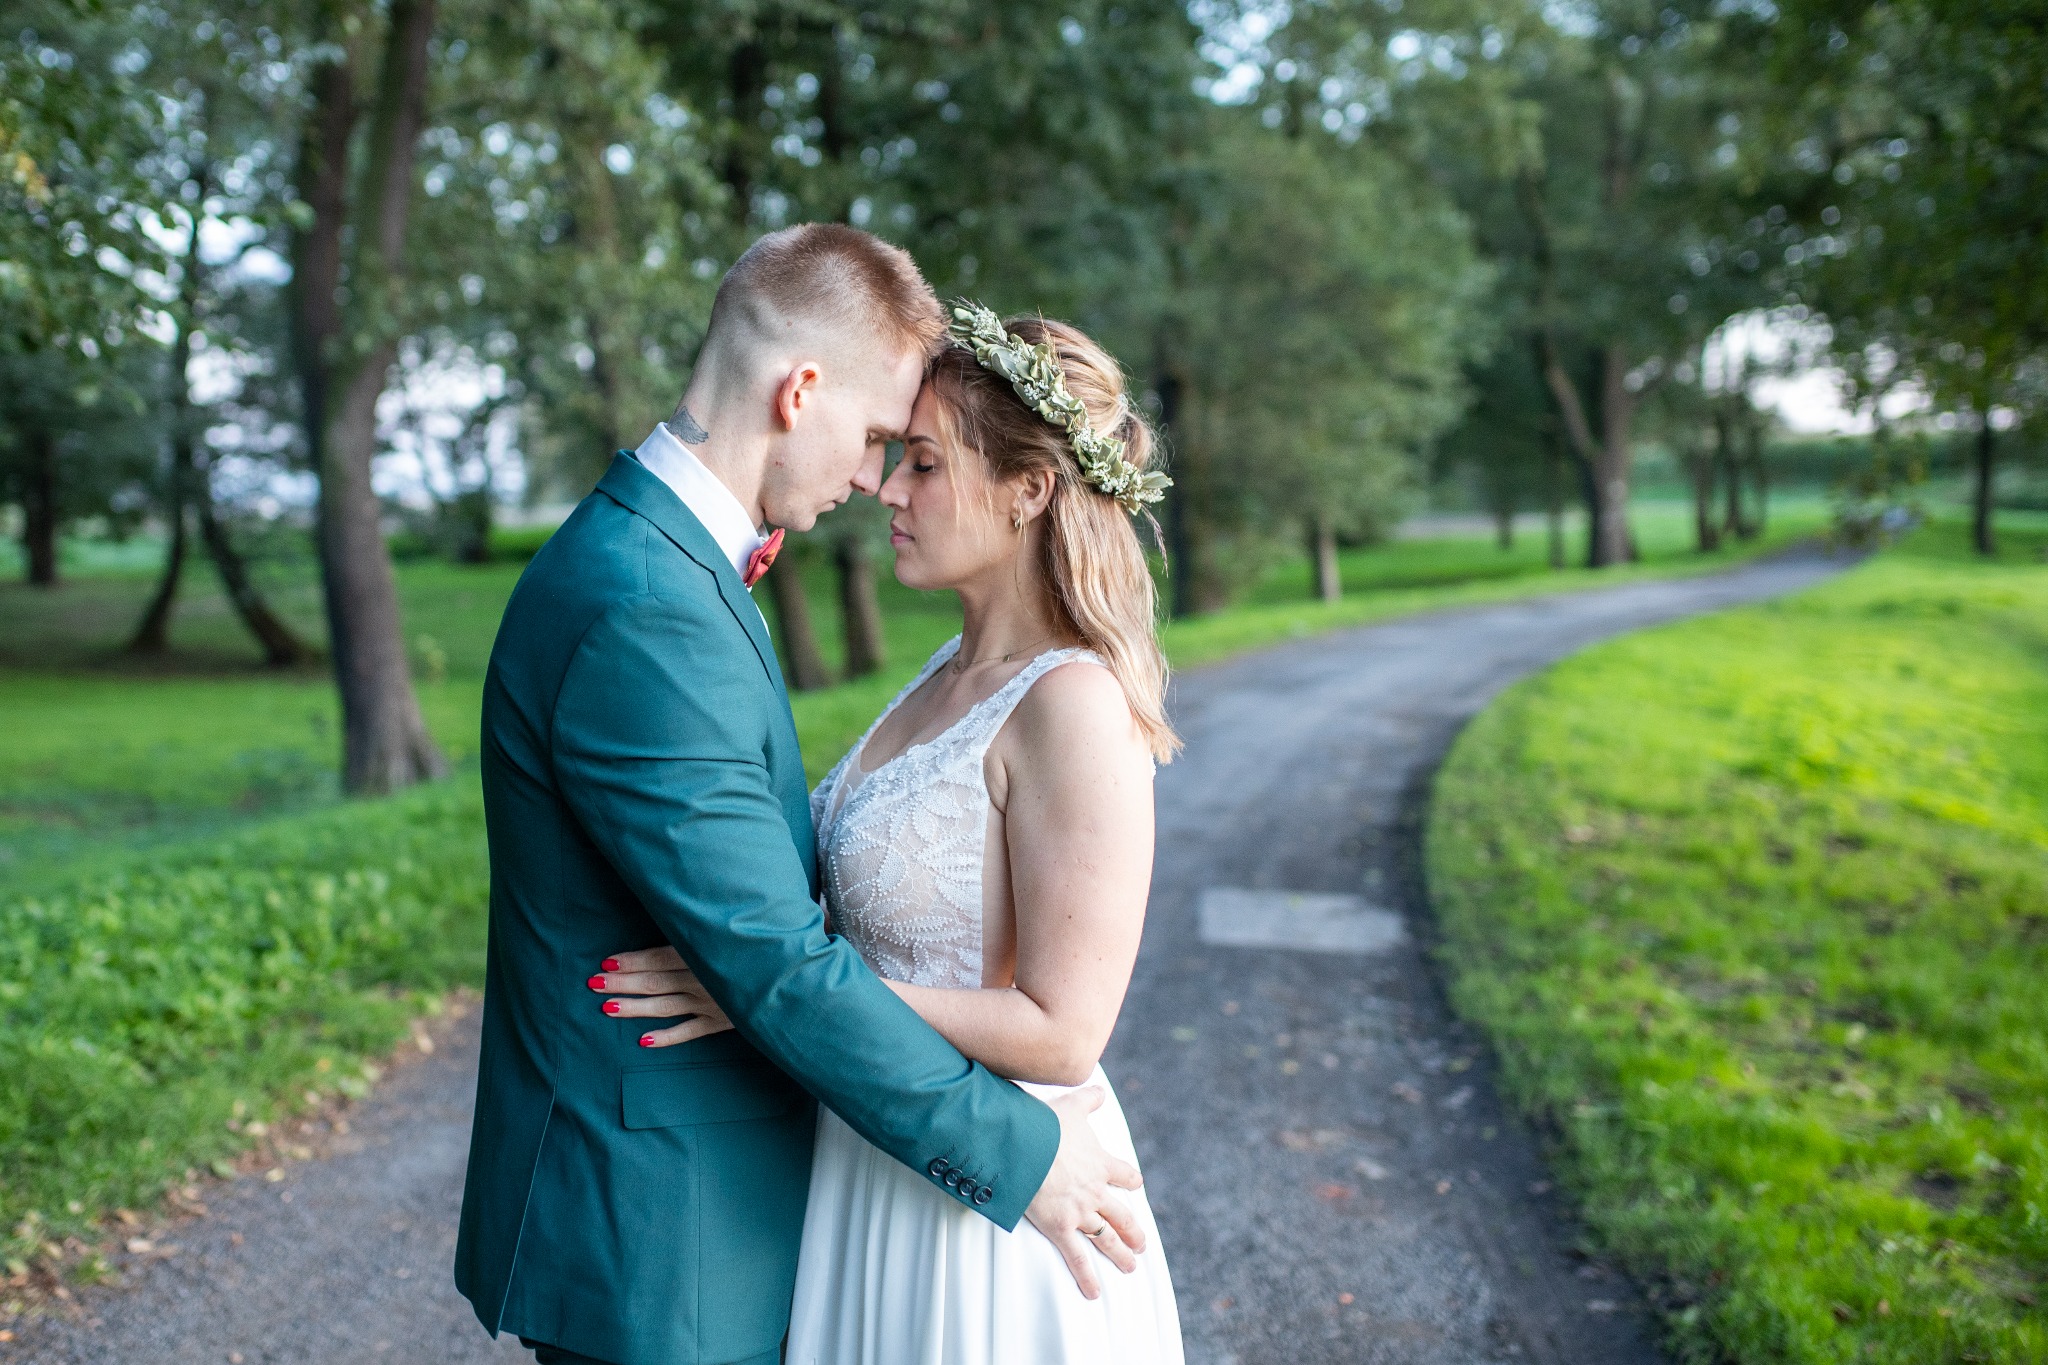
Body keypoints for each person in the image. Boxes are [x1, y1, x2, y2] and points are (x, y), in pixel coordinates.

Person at [455, 227, 1147, 1365]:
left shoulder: (662, 570)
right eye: (881, 439)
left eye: (915, 456)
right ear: (798, 391)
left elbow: (780, 959)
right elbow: (771, 957)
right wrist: (1017, 1157)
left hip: (774, 1204)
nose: (875, 481)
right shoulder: (648, 601)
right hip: (665, 1229)